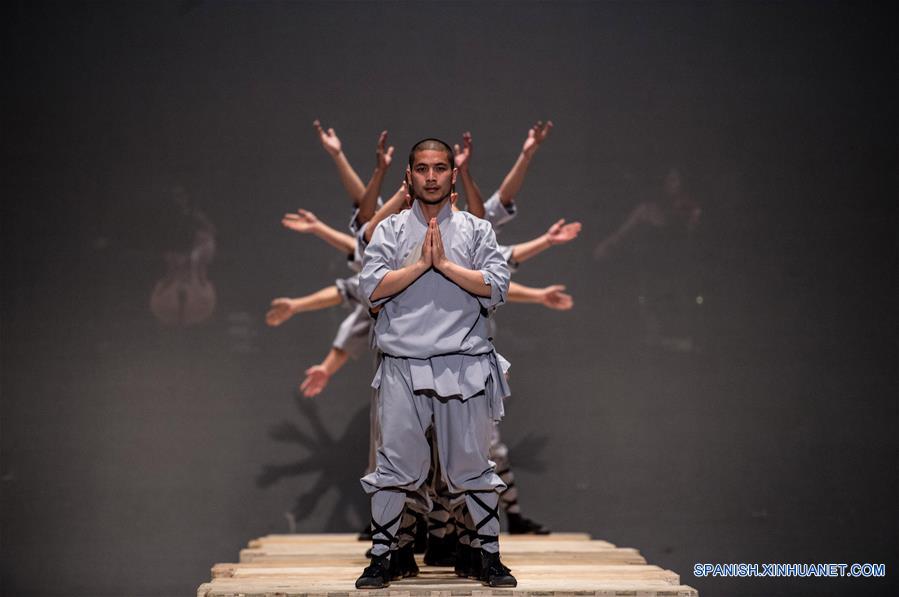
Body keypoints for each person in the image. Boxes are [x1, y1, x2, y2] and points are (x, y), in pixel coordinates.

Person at [355, 139, 515, 589]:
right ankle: (382, 558)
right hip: (403, 362)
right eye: (422, 168)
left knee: (471, 466)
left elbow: (495, 286)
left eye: (440, 168)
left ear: (450, 175)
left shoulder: (477, 230)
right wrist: (421, 266)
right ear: (409, 176)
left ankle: (490, 558)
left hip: (463, 362)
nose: (431, 176)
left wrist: (443, 264)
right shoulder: (388, 231)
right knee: (395, 466)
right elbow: (371, 289)